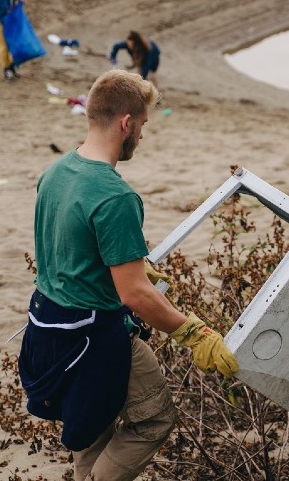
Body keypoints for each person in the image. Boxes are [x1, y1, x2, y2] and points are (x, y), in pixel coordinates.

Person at [18, 69, 238, 481]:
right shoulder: (115, 196)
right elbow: (136, 294)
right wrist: (194, 333)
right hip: (95, 338)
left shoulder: (55, 174)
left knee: (92, 430)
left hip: (48, 332)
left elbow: (68, 248)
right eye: (143, 125)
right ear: (126, 123)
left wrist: (122, 259)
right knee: (154, 419)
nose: (142, 135)